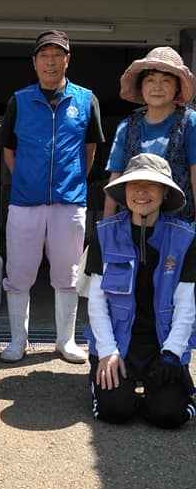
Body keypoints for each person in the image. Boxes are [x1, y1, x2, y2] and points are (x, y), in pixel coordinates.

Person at [0, 30, 104, 364]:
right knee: (19, 273)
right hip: (24, 202)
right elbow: (9, 150)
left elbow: (90, 151)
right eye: (45, 55)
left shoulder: (86, 100)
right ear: (34, 62)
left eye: (58, 55)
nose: (51, 62)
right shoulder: (19, 100)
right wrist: (28, 179)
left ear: (67, 60)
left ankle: (65, 340)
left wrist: (70, 182)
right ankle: (18, 340)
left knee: (67, 274)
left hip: (69, 202)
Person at [85, 153, 196, 429]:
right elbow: (97, 301)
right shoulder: (103, 234)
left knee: (169, 416)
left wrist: (172, 352)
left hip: (161, 344)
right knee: (115, 410)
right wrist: (107, 350)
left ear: (165, 192)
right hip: (118, 343)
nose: (142, 192)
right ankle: (106, 382)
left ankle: (168, 390)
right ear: (124, 190)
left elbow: (186, 304)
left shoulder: (185, 238)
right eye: (135, 184)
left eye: (151, 185)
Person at [104, 47, 196, 221]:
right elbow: (115, 177)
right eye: (150, 80)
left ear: (177, 87)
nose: (157, 87)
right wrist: (107, 226)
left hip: (179, 224)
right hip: (132, 223)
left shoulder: (190, 122)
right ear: (141, 86)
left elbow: (195, 175)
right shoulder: (126, 126)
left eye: (166, 80)